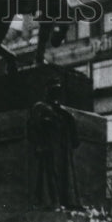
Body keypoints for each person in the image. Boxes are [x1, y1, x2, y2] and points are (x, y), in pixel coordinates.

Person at [28, 79, 81, 209]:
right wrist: (39, 144)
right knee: (49, 176)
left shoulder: (63, 112)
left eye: (58, 92)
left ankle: (65, 202)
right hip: (49, 148)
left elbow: (74, 136)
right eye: (53, 92)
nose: (56, 95)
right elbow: (33, 126)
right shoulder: (40, 107)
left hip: (62, 149)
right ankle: (50, 202)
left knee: (64, 176)